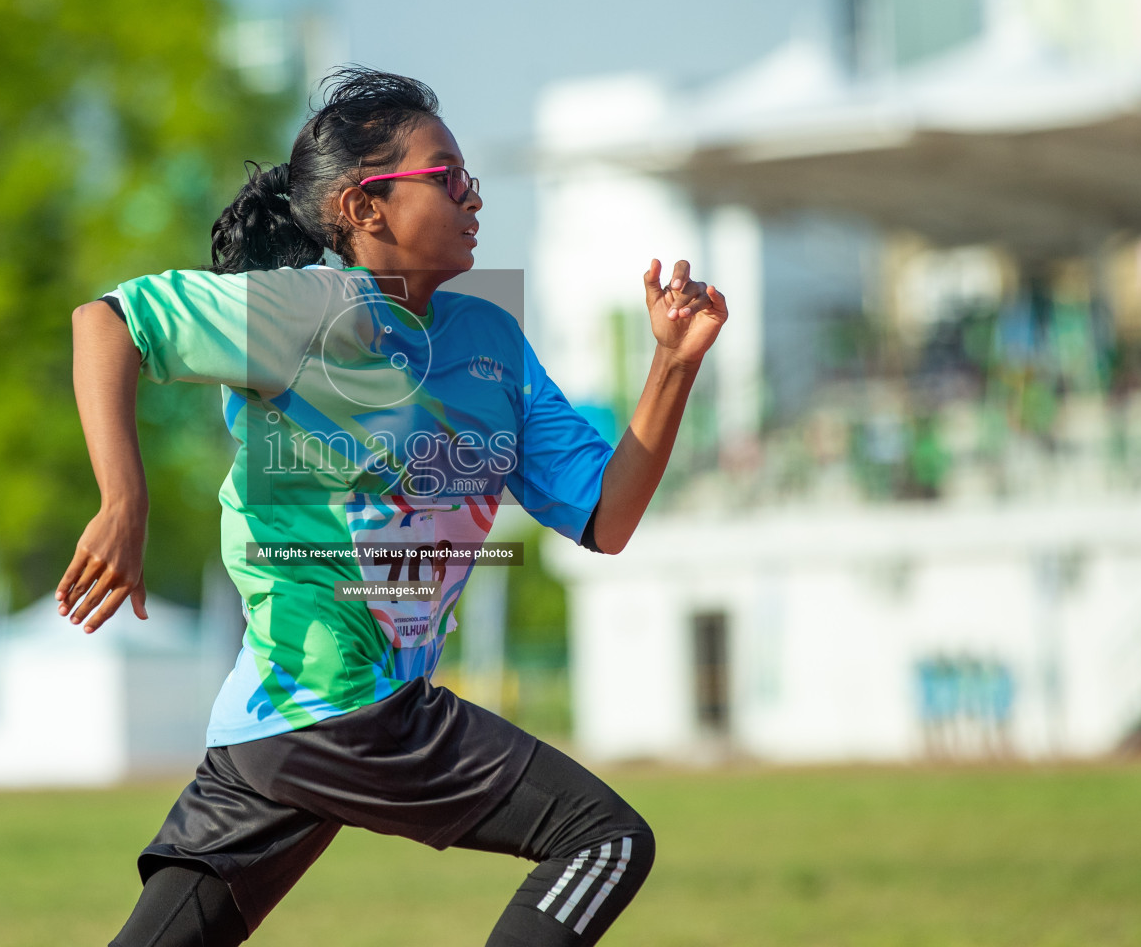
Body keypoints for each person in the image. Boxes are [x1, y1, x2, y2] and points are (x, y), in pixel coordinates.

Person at [56, 68, 728, 947]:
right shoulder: (308, 310)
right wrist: (124, 499)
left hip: (274, 735)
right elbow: (108, 321)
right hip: (345, 707)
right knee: (602, 842)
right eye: (444, 176)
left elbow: (605, 517)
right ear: (365, 208)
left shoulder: (490, 338)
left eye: (468, 177)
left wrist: (672, 366)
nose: (470, 196)